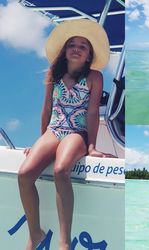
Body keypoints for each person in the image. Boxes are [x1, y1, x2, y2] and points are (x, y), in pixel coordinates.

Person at [17, 19, 110, 250]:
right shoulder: (53, 74)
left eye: (83, 46)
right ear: (65, 51)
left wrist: (91, 146)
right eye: (72, 44)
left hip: (77, 132)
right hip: (54, 130)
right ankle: (35, 233)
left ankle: (64, 241)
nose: (76, 48)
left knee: (61, 169)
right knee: (24, 173)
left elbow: (91, 113)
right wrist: (41, 141)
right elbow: (47, 109)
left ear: (89, 55)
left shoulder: (95, 77)